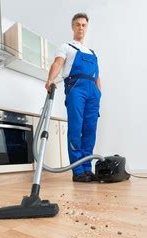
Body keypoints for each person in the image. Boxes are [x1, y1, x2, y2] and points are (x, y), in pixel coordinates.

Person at [45, 13, 102, 182]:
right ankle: (77, 170)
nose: (81, 27)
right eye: (78, 24)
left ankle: (87, 168)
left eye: (84, 25)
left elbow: (97, 75)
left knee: (90, 131)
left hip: (93, 91)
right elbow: (57, 63)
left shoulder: (92, 52)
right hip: (76, 88)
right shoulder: (66, 46)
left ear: (86, 27)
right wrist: (50, 79)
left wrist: (99, 92)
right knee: (76, 128)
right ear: (73, 27)